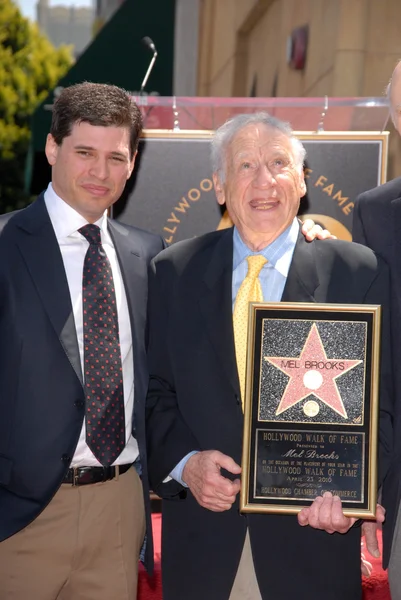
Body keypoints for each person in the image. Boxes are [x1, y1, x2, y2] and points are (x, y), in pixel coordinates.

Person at [145, 112, 392, 600]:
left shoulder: (356, 271)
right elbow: (153, 395)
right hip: (203, 549)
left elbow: (383, 406)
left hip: (312, 547)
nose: (264, 181)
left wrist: (353, 494)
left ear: (302, 182)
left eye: (279, 163)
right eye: (245, 165)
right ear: (219, 186)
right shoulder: (173, 272)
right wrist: (185, 463)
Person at [0, 82, 165, 600]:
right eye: (85, 153)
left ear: (133, 163)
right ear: (52, 148)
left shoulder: (149, 255)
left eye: (116, 157)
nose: (100, 172)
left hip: (118, 513)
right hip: (19, 518)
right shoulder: (4, 245)